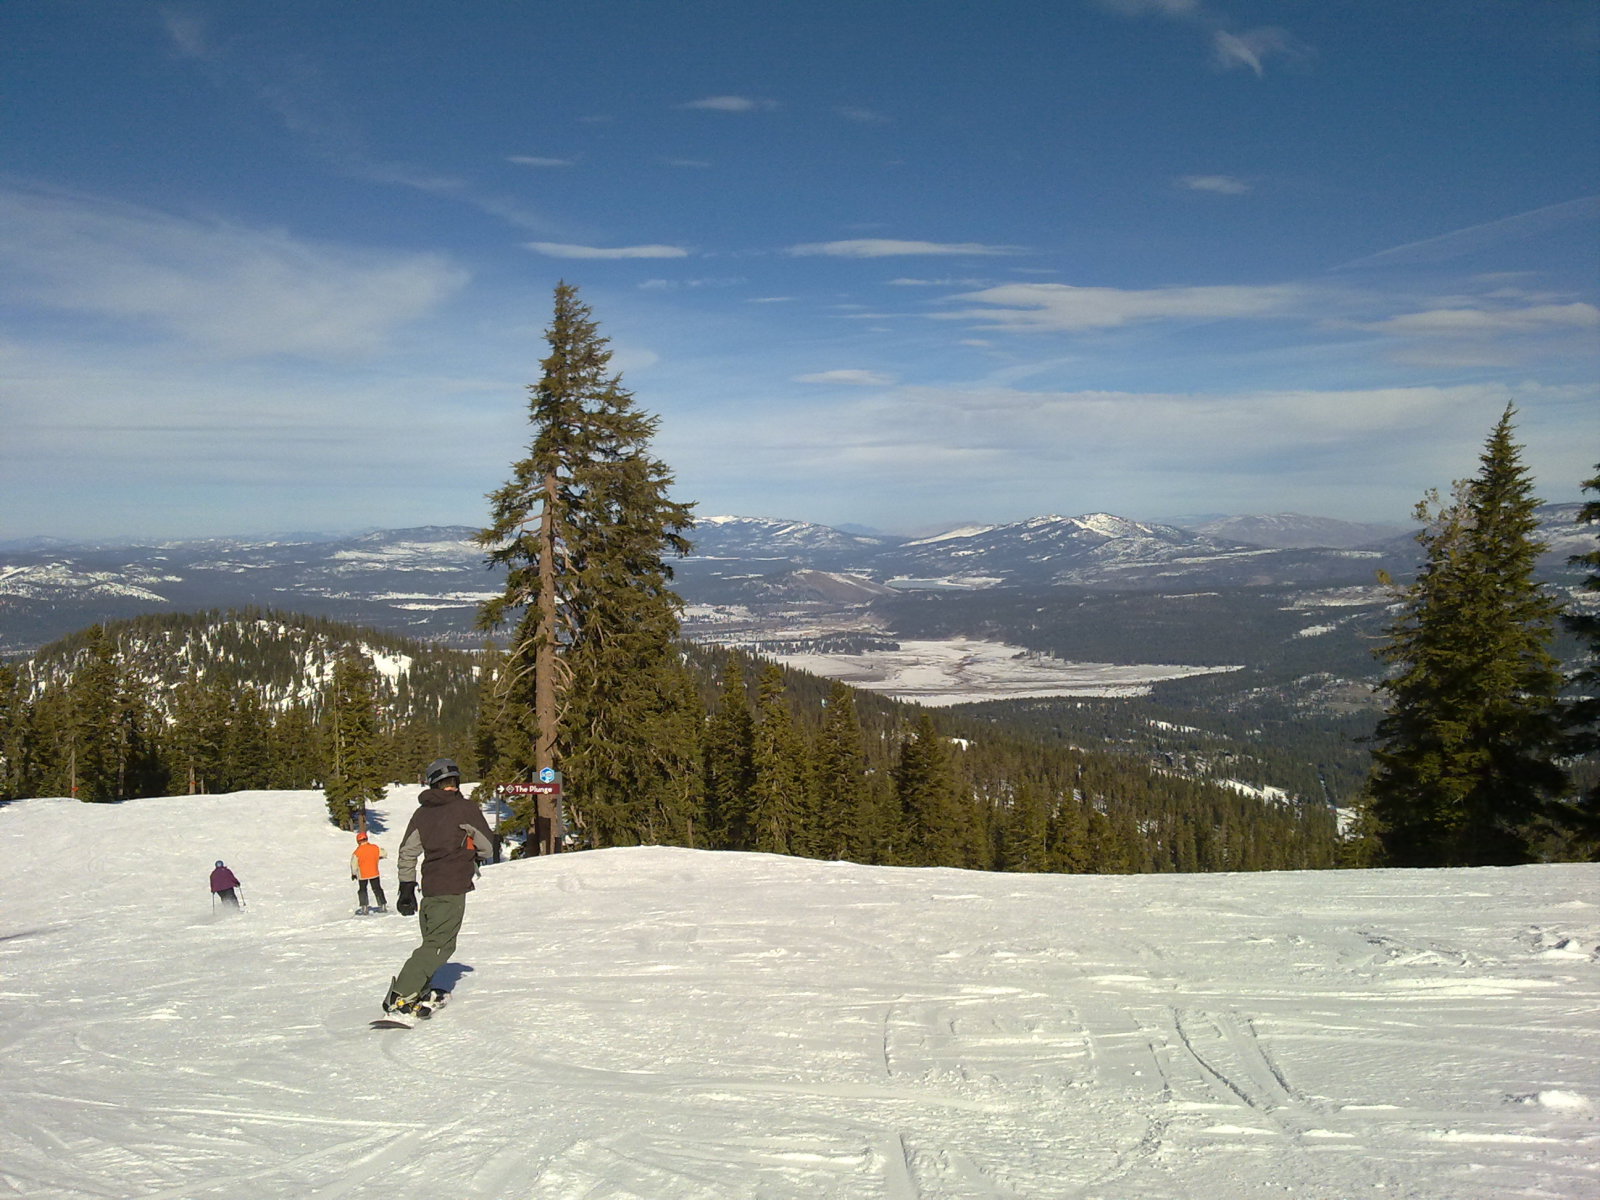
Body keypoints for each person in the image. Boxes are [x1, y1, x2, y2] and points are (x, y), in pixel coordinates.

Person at [382, 757, 492, 1017]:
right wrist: (471, 850)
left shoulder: (421, 813)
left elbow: (408, 851)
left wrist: (406, 887)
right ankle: (400, 996)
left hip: (428, 888)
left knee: (431, 941)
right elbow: (487, 846)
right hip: (452, 886)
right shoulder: (464, 809)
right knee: (441, 946)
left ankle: (420, 989)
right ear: (456, 782)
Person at [351, 831, 388, 914]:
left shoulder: (357, 852)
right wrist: (379, 857)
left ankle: (364, 907)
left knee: (362, 890)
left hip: (362, 875)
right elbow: (384, 853)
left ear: (358, 841)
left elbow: (354, 864)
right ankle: (382, 905)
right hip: (374, 873)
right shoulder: (374, 847)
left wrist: (353, 873)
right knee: (377, 889)